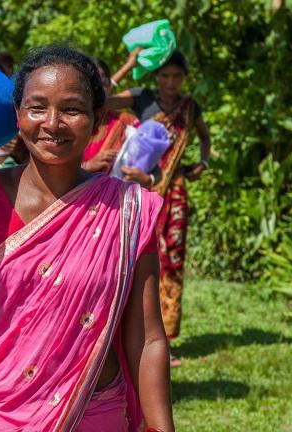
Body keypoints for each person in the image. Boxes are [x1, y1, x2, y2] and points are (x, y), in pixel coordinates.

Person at [0, 46, 173, 431]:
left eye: (71, 109)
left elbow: (148, 338)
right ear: (18, 116)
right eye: (37, 108)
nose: (52, 123)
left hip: (90, 412)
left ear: (97, 119)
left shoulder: (128, 210)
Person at [108, 50, 211, 366]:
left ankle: (164, 340)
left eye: (176, 76)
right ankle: (126, 338)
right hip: (136, 192)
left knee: (172, 260)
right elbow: (99, 100)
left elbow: (205, 138)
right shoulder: (141, 98)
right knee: (133, 261)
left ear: (185, 78)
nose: (170, 82)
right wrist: (127, 65)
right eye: (164, 75)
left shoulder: (190, 108)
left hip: (174, 192)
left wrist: (203, 162)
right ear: (155, 76)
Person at [81, 55, 141, 174]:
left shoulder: (126, 122)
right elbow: (53, 168)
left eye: (103, 84)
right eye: (92, 85)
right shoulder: (69, 122)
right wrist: (88, 166)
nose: (98, 90)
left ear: (109, 86)